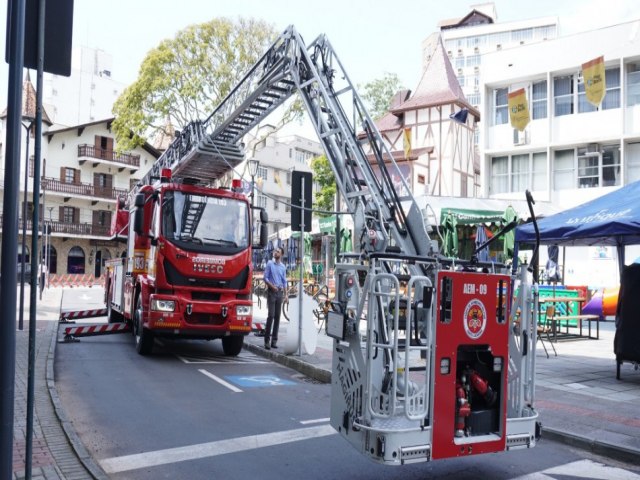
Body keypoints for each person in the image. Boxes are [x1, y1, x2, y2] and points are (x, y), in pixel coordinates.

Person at [263, 247, 287, 349]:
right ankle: (267, 340)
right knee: (271, 315)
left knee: (277, 317)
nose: (275, 252)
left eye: (278, 252)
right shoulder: (269, 264)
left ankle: (274, 341)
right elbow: (265, 278)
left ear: (281, 255)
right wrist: (272, 286)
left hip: (280, 293)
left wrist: (286, 295)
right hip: (272, 292)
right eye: (275, 251)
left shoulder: (283, 267)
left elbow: (284, 281)